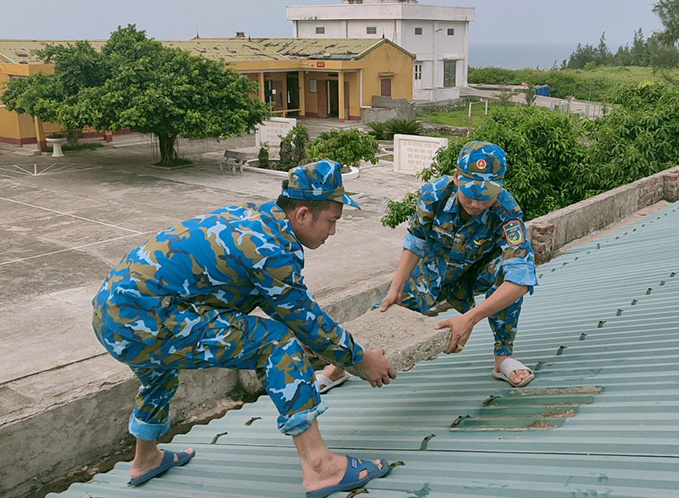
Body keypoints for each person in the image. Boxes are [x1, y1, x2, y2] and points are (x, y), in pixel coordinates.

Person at [92, 160, 396, 498]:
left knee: (160, 368)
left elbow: (267, 296)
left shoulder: (259, 219)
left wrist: (309, 337)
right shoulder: (272, 249)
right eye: (332, 221)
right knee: (277, 343)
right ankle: (320, 466)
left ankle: (145, 458)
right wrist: (361, 358)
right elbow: (307, 321)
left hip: (111, 314)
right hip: (145, 318)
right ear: (304, 214)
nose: (333, 231)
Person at [317, 141, 536, 394]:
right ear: (456, 177)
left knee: (507, 279)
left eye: (485, 196)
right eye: (470, 193)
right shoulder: (434, 194)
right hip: (433, 270)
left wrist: (469, 319)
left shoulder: (507, 211)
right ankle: (340, 366)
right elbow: (415, 242)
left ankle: (503, 358)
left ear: (498, 187)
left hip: (476, 273)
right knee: (387, 308)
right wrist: (395, 288)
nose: (476, 203)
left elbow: (521, 278)